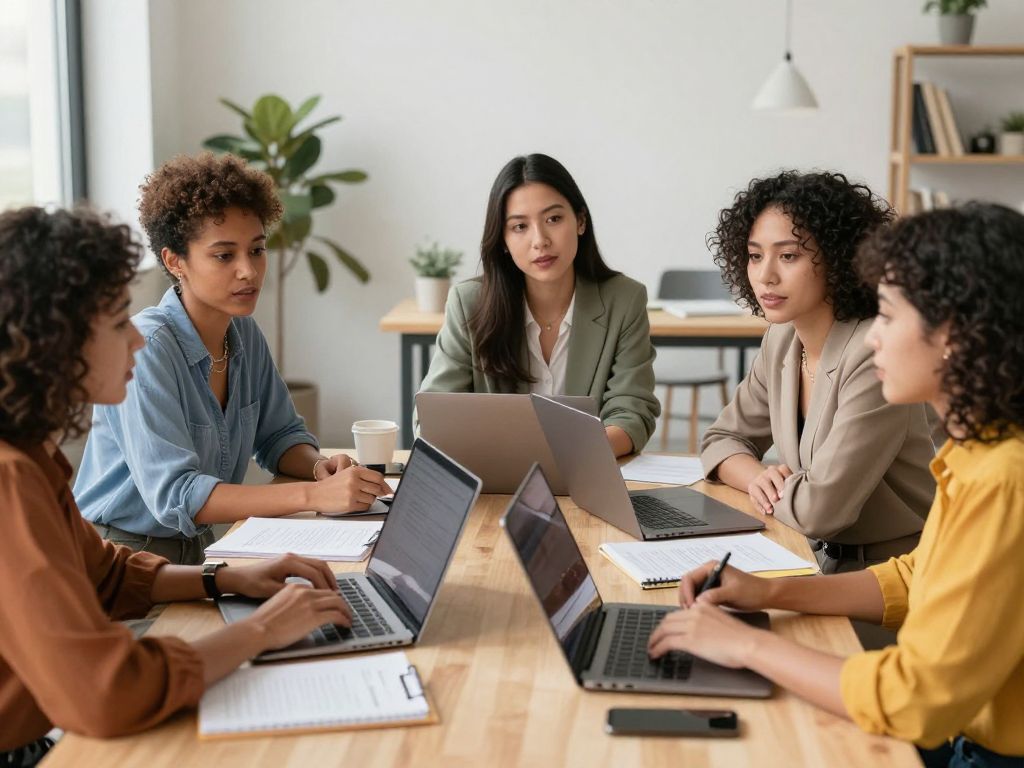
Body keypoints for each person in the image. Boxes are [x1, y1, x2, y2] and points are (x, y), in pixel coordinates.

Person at [649, 204, 1024, 768]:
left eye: (889, 318)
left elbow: (914, 701)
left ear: (954, 335)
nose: (873, 341)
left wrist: (748, 644)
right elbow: (915, 575)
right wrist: (770, 594)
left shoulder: (1003, 479)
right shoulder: (979, 448)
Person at [0, 207, 352, 765]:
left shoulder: (29, 450)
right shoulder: (8, 478)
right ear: (54, 341)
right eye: (117, 322)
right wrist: (262, 629)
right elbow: (105, 690)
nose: (134, 342)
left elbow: (106, 574)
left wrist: (227, 577)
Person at [74, 153, 390, 564]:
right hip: (119, 557)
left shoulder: (240, 331)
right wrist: (315, 496)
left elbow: (279, 437)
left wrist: (319, 468)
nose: (249, 271)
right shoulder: (149, 347)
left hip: (200, 548)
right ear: (175, 261)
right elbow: (178, 496)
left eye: (257, 250)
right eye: (224, 256)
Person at [702, 171, 934, 572]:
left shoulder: (871, 353)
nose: (765, 275)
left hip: (896, 571)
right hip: (816, 555)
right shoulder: (782, 339)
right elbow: (721, 439)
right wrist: (757, 475)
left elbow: (821, 511)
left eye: (788, 256)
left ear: (839, 258)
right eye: (755, 255)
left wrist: (776, 489)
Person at [417, 153, 660, 457]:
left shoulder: (624, 299)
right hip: (495, 483)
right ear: (503, 240)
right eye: (520, 226)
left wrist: (571, 455)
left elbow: (632, 412)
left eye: (553, 219)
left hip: (586, 473)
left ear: (580, 221)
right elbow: (435, 416)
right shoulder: (469, 304)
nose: (540, 240)